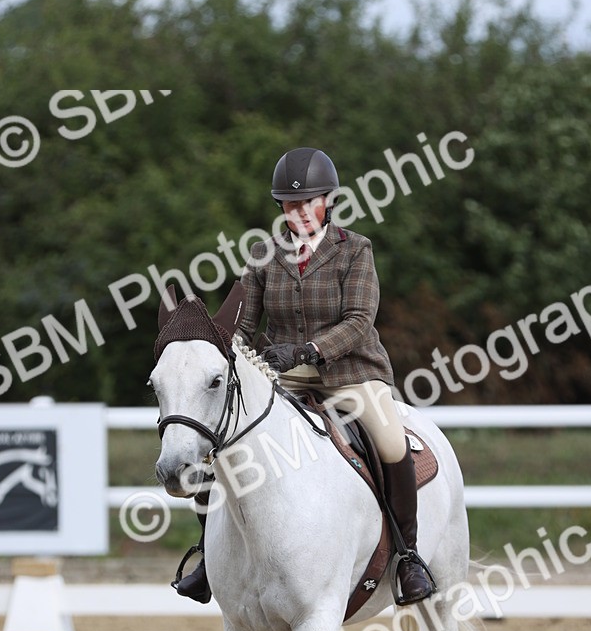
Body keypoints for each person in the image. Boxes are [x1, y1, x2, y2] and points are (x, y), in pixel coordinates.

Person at [174, 146, 434, 605]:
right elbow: (244, 325)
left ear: (328, 200)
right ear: (281, 207)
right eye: (291, 204)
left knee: (392, 443)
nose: (300, 212)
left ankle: (408, 556)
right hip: (286, 376)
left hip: (351, 370)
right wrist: (210, 339)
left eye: (309, 202)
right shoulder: (263, 254)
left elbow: (359, 321)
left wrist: (311, 349)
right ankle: (208, 559)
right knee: (223, 439)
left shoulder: (355, 250)